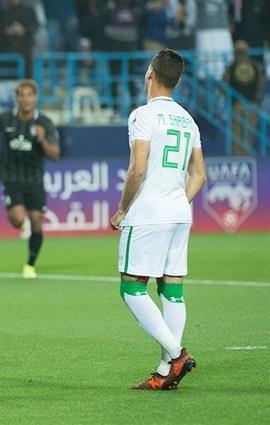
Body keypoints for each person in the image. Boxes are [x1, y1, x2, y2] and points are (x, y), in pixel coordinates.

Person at [110, 49, 206, 390]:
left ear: (150, 73)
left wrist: (123, 209)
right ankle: (165, 372)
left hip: (148, 212)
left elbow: (137, 169)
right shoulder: (188, 120)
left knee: (131, 288)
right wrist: (178, 199)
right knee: (171, 288)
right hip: (180, 212)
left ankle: (177, 356)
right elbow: (199, 174)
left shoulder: (143, 115)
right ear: (177, 81)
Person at [0, 79, 60, 279]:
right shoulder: (6, 119)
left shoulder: (44, 123)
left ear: (35, 98)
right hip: (11, 177)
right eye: (21, 95)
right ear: (17, 98)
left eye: (29, 95)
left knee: (36, 222)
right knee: (17, 219)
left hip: (35, 179)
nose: (25, 99)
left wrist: (42, 139)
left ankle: (30, 264)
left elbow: (55, 154)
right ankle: (21, 225)